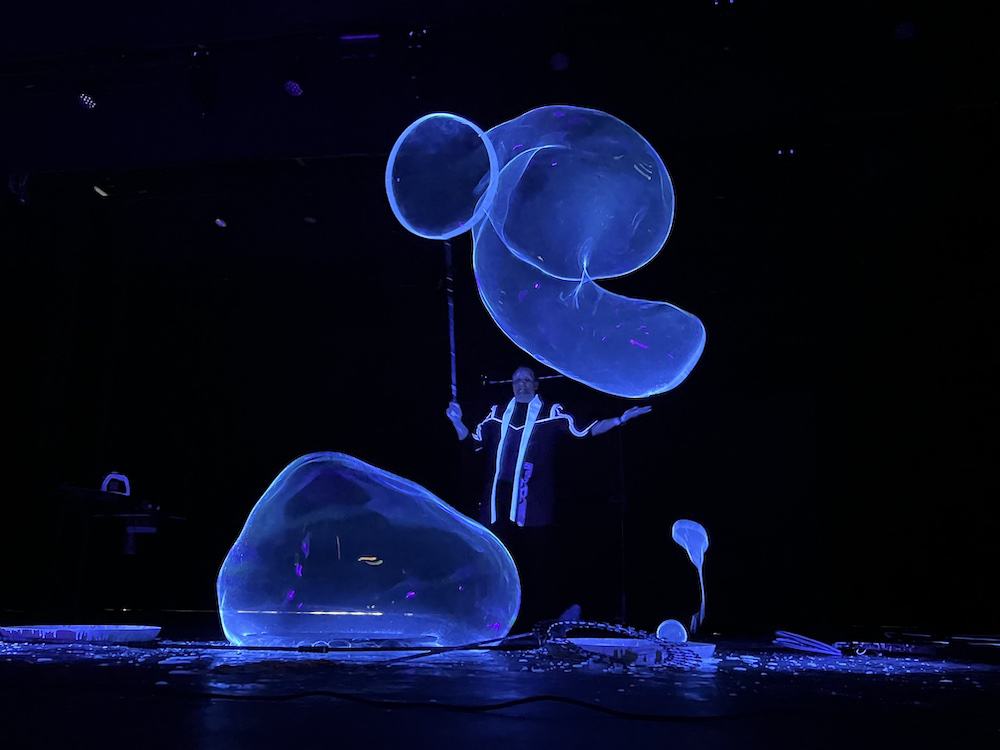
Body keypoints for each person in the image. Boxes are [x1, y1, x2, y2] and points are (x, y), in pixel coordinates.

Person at [445, 365, 650, 627]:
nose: (522, 384)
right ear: (511, 385)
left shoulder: (550, 413)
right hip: (497, 508)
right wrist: (457, 421)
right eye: (517, 380)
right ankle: (503, 623)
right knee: (499, 568)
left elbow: (586, 430)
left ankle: (543, 622)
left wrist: (620, 419)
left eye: (527, 380)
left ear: (536, 384)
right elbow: (473, 443)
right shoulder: (496, 414)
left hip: (534, 508)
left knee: (536, 569)